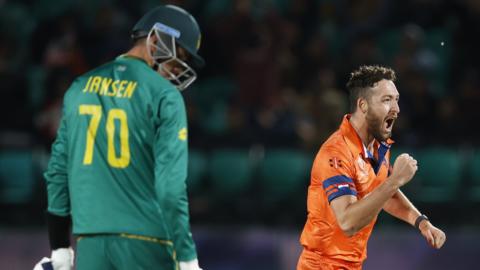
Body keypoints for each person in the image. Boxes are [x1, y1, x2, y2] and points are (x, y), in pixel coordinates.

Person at [34, 5, 204, 270]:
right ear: (157, 39)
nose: (175, 70)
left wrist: (59, 248)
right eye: (177, 58)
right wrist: (187, 257)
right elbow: (170, 190)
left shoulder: (79, 88)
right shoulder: (164, 95)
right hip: (148, 243)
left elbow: (57, 174)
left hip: (90, 244)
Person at [297, 65, 446, 270]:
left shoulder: (376, 147)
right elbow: (348, 223)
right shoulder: (336, 153)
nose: (396, 108)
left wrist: (421, 221)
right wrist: (395, 180)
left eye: (396, 99)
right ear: (363, 105)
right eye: (387, 100)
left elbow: (382, 191)